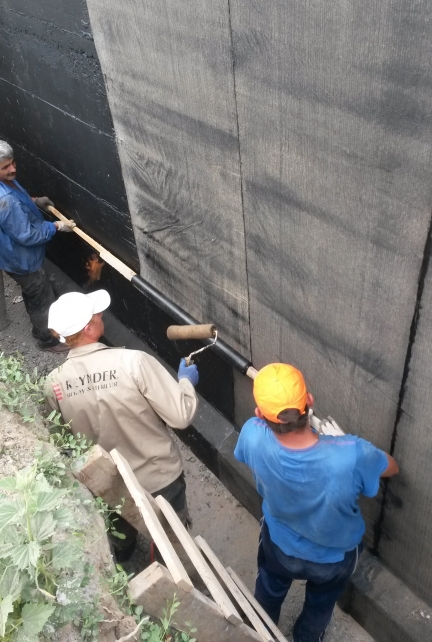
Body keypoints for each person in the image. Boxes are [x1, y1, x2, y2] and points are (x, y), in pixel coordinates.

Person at [234, 363, 399, 642]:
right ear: (309, 400)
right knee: (320, 605)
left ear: (260, 414)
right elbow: (391, 467)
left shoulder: (252, 433)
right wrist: (340, 443)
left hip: (279, 543)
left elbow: (255, 449)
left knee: (269, 590)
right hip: (333, 558)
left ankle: (261, 631)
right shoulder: (351, 455)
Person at [44, 289, 199, 559]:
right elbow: (180, 415)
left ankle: (123, 554)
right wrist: (186, 382)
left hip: (108, 484)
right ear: (88, 328)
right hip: (159, 478)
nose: (101, 314)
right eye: (96, 314)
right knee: (172, 536)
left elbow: (62, 442)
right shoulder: (133, 362)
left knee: (120, 524)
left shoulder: (53, 384)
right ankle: (170, 564)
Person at [0, 141, 76, 352]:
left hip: (11, 255)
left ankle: (40, 330)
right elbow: (28, 235)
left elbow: (17, 201)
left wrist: (33, 201)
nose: (12, 169)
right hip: (22, 259)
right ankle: (47, 340)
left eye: (13, 162)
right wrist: (56, 226)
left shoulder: (6, 184)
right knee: (41, 297)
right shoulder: (5, 200)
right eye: (5, 167)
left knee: (33, 292)